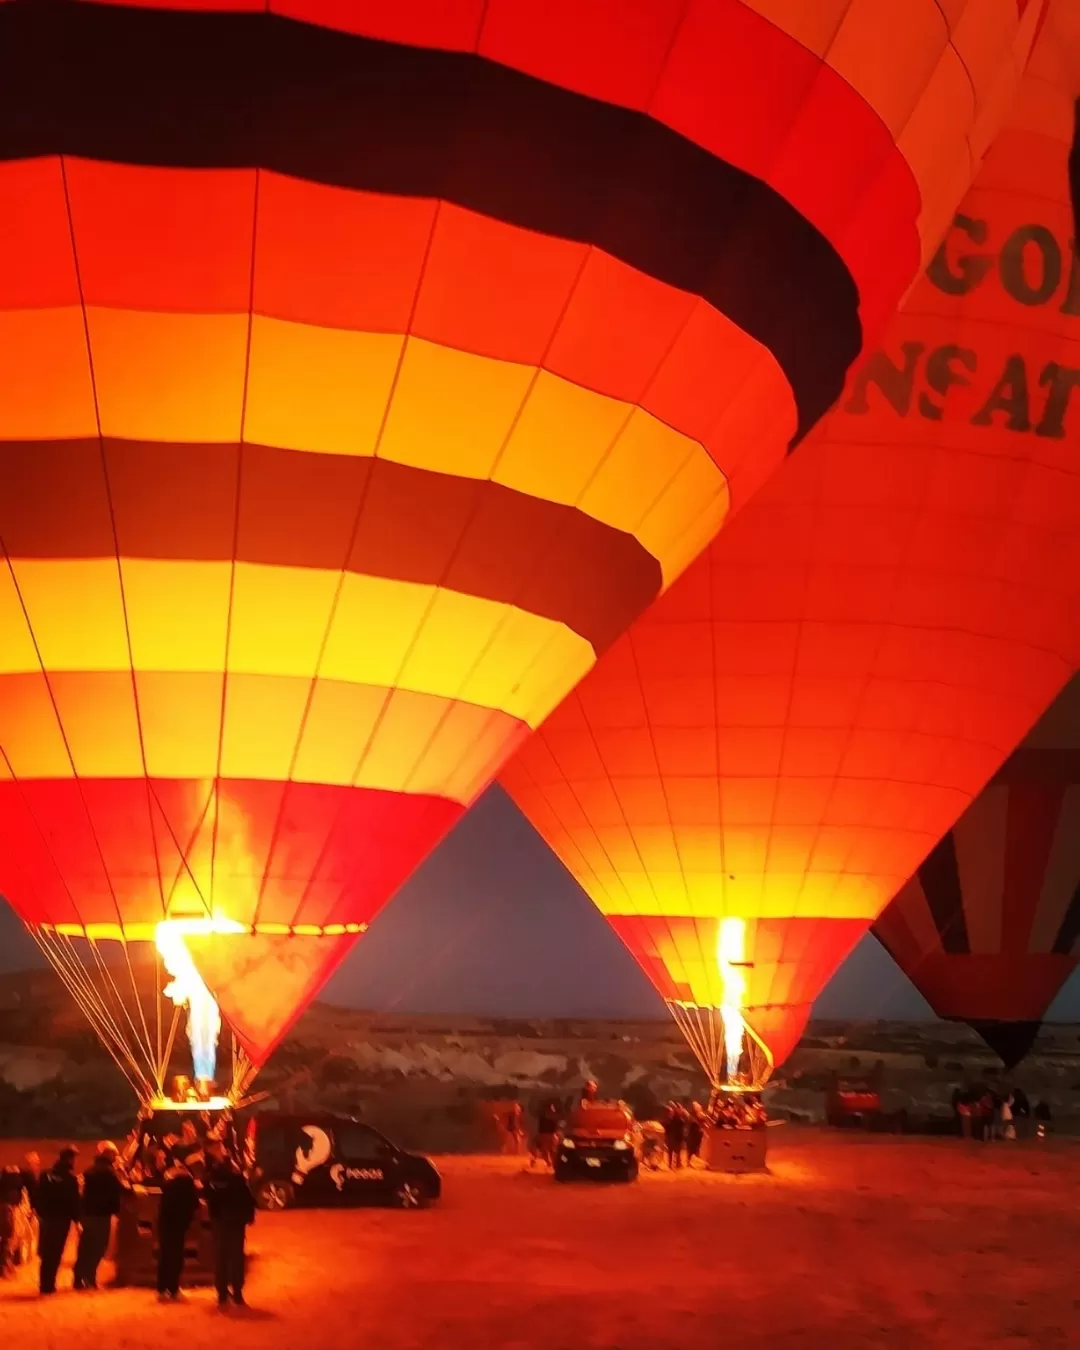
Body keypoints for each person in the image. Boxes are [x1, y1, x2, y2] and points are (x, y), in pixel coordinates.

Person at [204, 1141, 255, 1309]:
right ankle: (233, 1293)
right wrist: (248, 1216)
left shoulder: (215, 1175)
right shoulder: (233, 1176)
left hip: (224, 1221)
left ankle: (225, 1294)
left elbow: (211, 1196)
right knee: (233, 1257)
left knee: (224, 1257)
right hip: (233, 1221)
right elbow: (246, 1196)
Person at [73, 1142, 125, 1290]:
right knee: (97, 1249)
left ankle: (78, 1279)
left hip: (88, 1214)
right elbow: (121, 1189)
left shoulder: (89, 1171)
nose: (115, 1157)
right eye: (114, 1154)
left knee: (85, 1248)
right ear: (108, 1155)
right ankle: (90, 1279)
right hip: (102, 1215)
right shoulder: (110, 1172)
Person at [34, 1146, 81, 1295]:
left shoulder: (45, 1175)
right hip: (62, 1219)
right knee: (55, 1252)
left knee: (46, 1251)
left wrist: (41, 1212)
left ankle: (44, 1284)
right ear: (69, 1159)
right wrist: (77, 1219)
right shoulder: (70, 1179)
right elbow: (73, 1201)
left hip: (47, 1218)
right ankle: (49, 1284)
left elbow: (37, 1195)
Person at [157, 1158, 199, 1302]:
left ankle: (162, 1288)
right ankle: (173, 1288)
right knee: (176, 1258)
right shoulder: (187, 1184)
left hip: (165, 1224)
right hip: (179, 1225)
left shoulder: (167, 1185)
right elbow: (195, 1203)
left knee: (165, 1257)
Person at [0, 1164, 24, 1277]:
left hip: (8, 1208)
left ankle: (6, 1265)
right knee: (6, 1238)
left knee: (7, 1239)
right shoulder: (9, 1190)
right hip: (6, 1208)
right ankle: (3, 1267)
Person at [529, 1099, 561, 1170]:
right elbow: (555, 1127)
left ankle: (537, 1160)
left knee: (542, 1149)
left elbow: (540, 1127)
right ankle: (549, 1163)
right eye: (552, 1107)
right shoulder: (553, 1116)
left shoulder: (543, 1116)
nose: (554, 1108)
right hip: (549, 1136)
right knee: (549, 1150)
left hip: (543, 1136)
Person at [663, 1101, 686, 1169]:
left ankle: (674, 1164)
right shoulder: (673, 1118)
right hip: (673, 1136)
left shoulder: (674, 1118)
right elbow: (682, 1124)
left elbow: (681, 1124)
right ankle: (672, 1165)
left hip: (674, 1136)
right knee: (673, 1151)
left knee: (674, 1151)